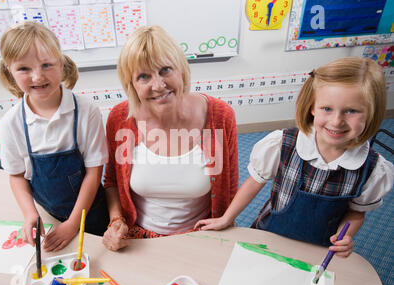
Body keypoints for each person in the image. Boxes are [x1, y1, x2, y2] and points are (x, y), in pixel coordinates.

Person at [195, 57, 393, 257]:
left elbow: (357, 212)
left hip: (319, 249)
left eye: (351, 111)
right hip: (268, 235)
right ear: (312, 107)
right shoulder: (282, 144)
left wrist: (346, 236)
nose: (336, 121)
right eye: (327, 108)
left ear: (371, 113)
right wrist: (227, 218)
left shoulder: (374, 170)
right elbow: (254, 182)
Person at [102, 25, 239, 251]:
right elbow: (112, 183)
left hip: (202, 237)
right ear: (132, 85)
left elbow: (230, 188)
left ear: (181, 70)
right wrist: (116, 221)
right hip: (138, 240)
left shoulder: (221, 116)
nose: (158, 85)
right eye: (144, 76)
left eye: (165, 70)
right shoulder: (120, 118)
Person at [0, 22, 109, 252]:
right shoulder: (11, 122)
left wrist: (73, 224)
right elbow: (17, 176)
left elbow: (94, 172)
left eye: (46, 65)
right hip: (49, 216)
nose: (37, 76)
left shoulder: (86, 111)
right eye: (24, 69)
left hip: (92, 212)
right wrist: (30, 214)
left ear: (61, 63)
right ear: (10, 71)